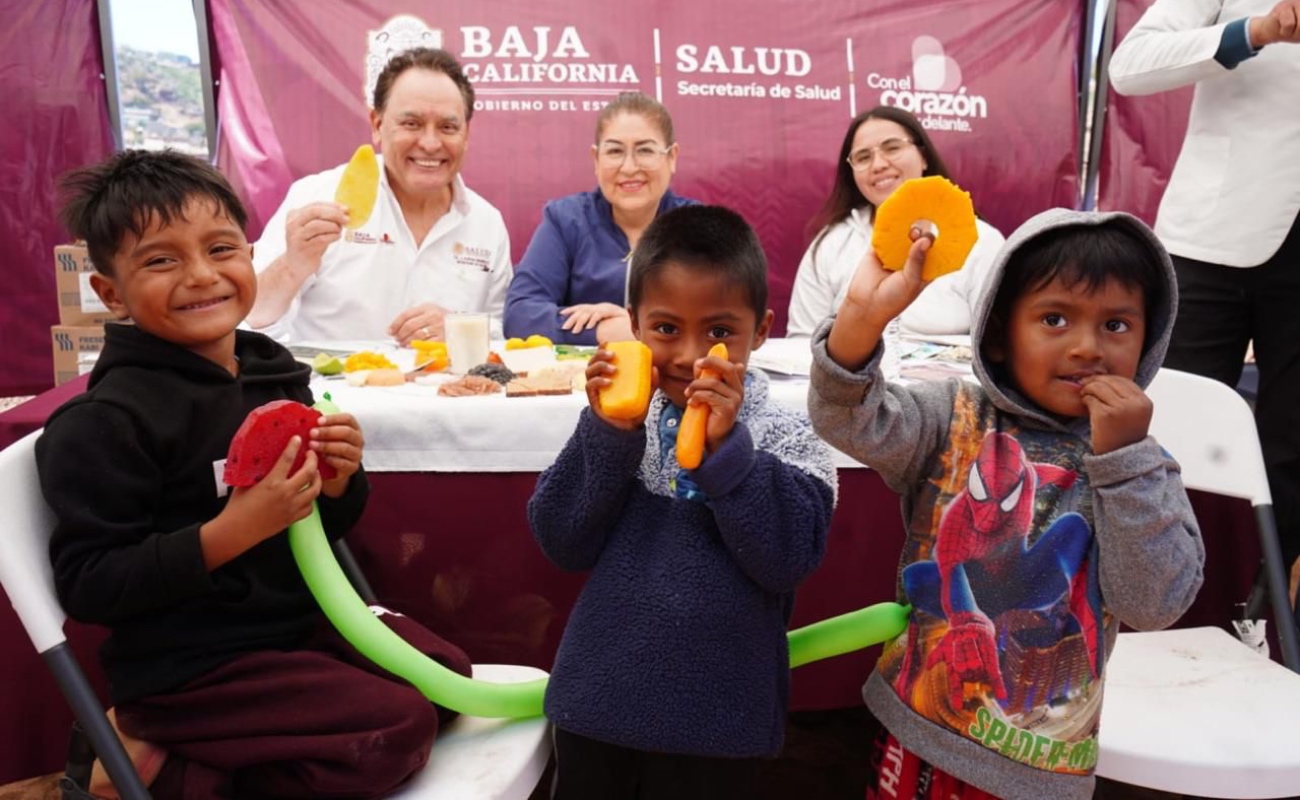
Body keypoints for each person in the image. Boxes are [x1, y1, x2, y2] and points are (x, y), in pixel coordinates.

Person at [38, 150, 472, 799]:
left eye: (221, 248)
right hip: (192, 667)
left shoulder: (272, 369)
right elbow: (90, 586)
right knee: (395, 728)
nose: (201, 276)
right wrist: (232, 531)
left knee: (448, 678)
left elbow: (323, 527)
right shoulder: (106, 422)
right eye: (161, 259)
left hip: (295, 627)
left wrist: (337, 481)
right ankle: (165, 767)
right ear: (110, 293)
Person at [808, 209, 1204, 800]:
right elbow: (848, 418)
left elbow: (1154, 604)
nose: (1088, 348)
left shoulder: (1140, 466)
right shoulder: (953, 416)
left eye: (1117, 325)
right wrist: (860, 322)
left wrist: (1125, 462)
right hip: (919, 726)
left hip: (1041, 761)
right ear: (998, 331)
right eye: (1054, 318)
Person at [528, 205, 836, 798]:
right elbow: (560, 540)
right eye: (666, 329)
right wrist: (609, 433)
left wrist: (727, 452)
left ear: (763, 329)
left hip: (718, 722)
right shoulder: (618, 422)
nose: (691, 354)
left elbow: (790, 557)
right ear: (635, 326)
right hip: (596, 703)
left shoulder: (790, 431)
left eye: (720, 332)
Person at [1109, 0, 1300, 605]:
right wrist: (1257, 31)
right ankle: (1165, 610)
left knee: (1294, 448)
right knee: (1178, 432)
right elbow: (1130, 66)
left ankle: (1264, 621)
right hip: (1214, 238)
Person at [247, 47, 511, 344]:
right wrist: (292, 265)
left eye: (448, 127)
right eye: (411, 124)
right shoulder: (316, 198)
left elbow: (502, 330)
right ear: (377, 124)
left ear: (466, 134)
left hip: (445, 390)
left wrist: (459, 327)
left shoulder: (487, 222)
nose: (429, 142)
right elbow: (250, 318)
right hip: (329, 389)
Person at [786, 106, 1005, 339]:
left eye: (892, 147)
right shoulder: (830, 244)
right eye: (863, 157)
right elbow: (802, 342)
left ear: (923, 157)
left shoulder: (982, 241)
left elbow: (998, 344)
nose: (878, 165)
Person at [503, 91, 696, 345]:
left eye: (645, 150)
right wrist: (605, 331)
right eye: (615, 151)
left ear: (671, 158)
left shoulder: (698, 226)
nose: (628, 167)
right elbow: (520, 316)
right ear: (596, 159)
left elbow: (725, 319)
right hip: (587, 380)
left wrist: (642, 327)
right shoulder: (565, 220)